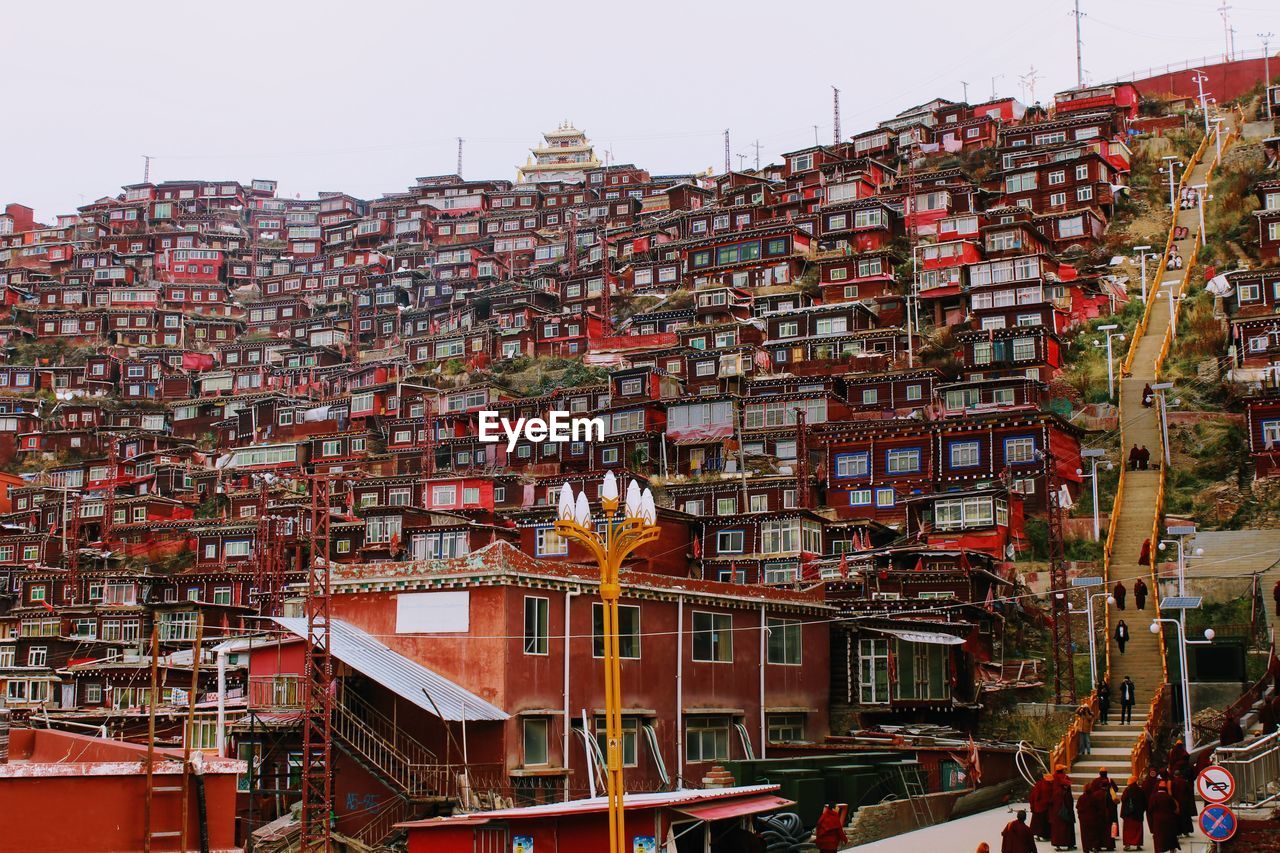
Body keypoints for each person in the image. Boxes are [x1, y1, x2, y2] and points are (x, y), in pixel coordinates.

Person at [1146, 780, 1180, 852]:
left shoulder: (1153, 797)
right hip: (1169, 819)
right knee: (1170, 835)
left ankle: (1159, 850)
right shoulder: (1169, 797)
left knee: (1159, 836)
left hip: (1157, 820)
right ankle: (1172, 849)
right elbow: (1174, 808)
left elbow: (1150, 810)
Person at [1050, 765, 1077, 851]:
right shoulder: (1066, 777)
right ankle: (1069, 844)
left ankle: (1057, 844)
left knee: (1057, 826)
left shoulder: (1053, 778)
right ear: (1062, 771)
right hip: (1066, 805)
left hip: (1056, 806)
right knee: (1067, 825)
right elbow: (1069, 791)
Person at [1077, 783, 1109, 853]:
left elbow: (1078, 807)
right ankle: (1094, 846)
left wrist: (1080, 816)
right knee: (1094, 834)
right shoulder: (1094, 797)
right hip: (1094, 818)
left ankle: (1086, 848)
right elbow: (1099, 808)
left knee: (1085, 835)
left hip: (1083, 820)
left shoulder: (1081, 797)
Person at [1120, 775, 1147, 851]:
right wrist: (1142, 810)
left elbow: (1123, 799)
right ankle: (1138, 844)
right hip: (1138, 815)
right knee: (1138, 829)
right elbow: (1145, 802)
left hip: (1128, 814)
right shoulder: (1140, 790)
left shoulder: (1127, 790)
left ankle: (1128, 844)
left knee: (1128, 830)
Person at [1170, 768, 1196, 837]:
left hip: (1176, 802)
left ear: (1174, 775)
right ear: (1180, 775)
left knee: (1178, 818)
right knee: (1186, 817)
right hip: (1185, 802)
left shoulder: (1172, 782)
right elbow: (1189, 792)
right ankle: (1186, 831)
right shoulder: (1185, 782)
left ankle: (1179, 832)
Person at [1030, 773, 1055, 841]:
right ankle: (1045, 836)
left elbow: (1034, 796)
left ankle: (1038, 835)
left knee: (1038, 822)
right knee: (1045, 823)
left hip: (1038, 807)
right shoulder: (1050, 785)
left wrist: (1033, 805)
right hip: (1045, 807)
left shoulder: (1039, 784)